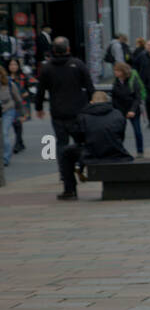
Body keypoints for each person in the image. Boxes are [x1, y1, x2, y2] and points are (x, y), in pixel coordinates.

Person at [33, 37, 95, 198]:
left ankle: (66, 177)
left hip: (58, 112)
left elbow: (40, 90)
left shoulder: (47, 68)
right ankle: (81, 166)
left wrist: (39, 107)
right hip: (78, 111)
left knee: (61, 145)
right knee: (81, 142)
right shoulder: (78, 64)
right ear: (68, 49)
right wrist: (91, 104)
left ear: (53, 50)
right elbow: (90, 87)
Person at [58, 91, 133, 198]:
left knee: (65, 152)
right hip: (117, 153)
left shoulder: (82, 116)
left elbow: (79, 138)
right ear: (107, 101)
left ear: (92, 102)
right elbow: (120, 136)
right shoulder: (117, 114)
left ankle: (69, 190)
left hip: (92, 155)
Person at [109, 61, 145, 155]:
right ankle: (119, 150)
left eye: (117, 71)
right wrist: (114, 110)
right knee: (119, 132)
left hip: (132, 109)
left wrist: (132, 110)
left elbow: (137, 97)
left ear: (123, 71)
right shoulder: (116, 82)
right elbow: (114, 98)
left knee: (137, 131)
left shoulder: (132, 80)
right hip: (120, 110)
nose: (115, 72)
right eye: (115, 71)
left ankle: (140, 151)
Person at [1, 61, 29, 168]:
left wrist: (22, 114)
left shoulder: (9, 83)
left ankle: (6, 158)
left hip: (8, 110)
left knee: (4, 132)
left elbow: (18, 99)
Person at [5, 57, 32, 155]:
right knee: (14, 124)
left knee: (18, 122)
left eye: (15, 64)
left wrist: (26, 92)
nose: (13, 67)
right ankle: (20, 142)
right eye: (11, 64)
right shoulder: (5, 77)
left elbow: (32, 86)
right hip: (9, 104)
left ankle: (18, 143)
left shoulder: (23, 76)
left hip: (21, 104)